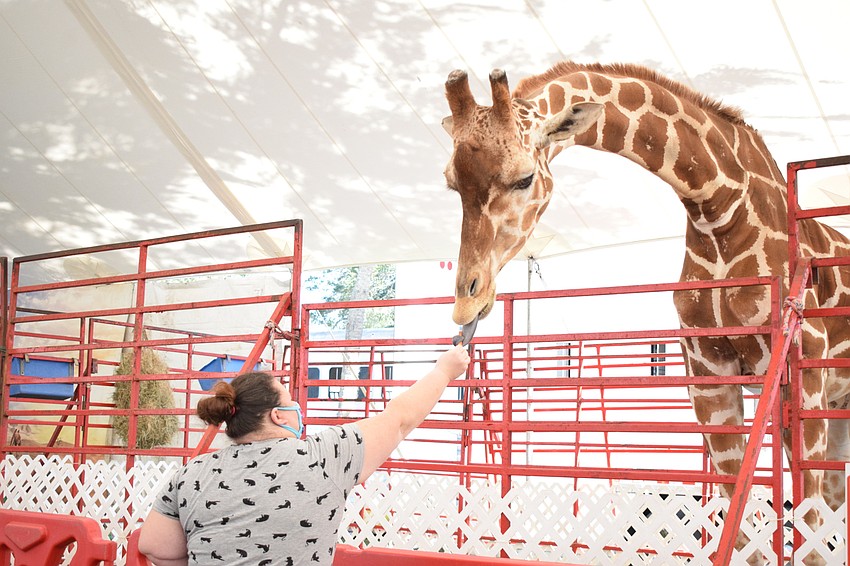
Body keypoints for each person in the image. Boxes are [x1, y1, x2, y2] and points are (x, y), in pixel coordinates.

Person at [138, 344, 470, 566]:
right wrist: (444, 371)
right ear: (279, 415)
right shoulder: (324, 455)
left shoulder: (192, 473)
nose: (298, 406)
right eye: (290, 399)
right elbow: (399, 418)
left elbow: (153, 545)